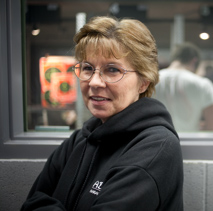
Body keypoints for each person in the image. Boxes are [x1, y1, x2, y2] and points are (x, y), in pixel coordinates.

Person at [21, 16, 184, 211]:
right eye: (88, 68)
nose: (94, 82)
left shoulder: (156, 148)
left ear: (143, 82)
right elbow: (31, 203)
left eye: (112, 70)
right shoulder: (80, 140)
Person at [154, 42, 213, 131]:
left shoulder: (151, 81)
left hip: (157, 142)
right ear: (194, 61)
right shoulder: (203, 84)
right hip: (189, 142)